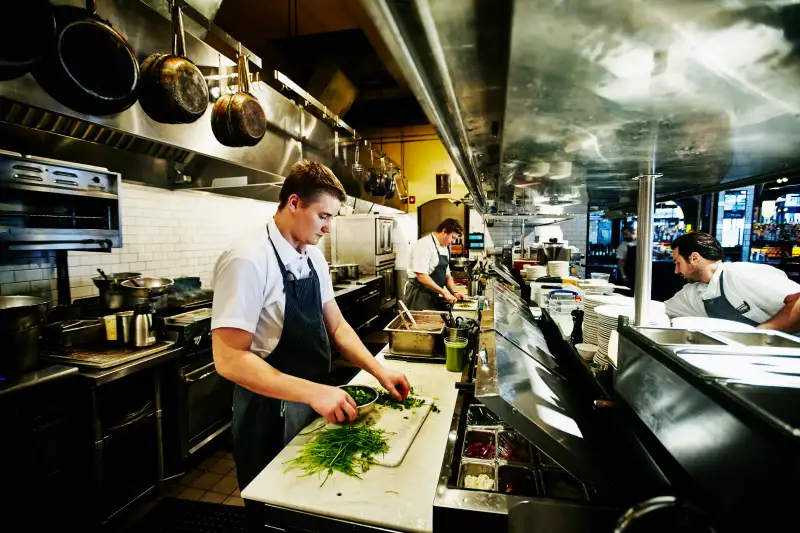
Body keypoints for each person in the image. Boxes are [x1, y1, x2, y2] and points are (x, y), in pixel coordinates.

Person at [211, 160, 411, 492]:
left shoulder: (312, 255)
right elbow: (229, 358)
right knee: (275, 505)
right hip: (269, 412)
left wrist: (379, 371)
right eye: (324, 216)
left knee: (313, 495)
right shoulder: (247, 259)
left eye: (332, 217)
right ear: (294, 203)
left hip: (316, 400)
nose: (329, 228)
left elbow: (337, 326)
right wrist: (314, 392)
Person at [665, 232, 800, 330]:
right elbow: (659, 310)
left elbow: (798, 300)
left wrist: (760, 335)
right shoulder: (694, 293)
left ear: (694, 258)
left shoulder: (741, 273)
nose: (676, 271)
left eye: (678, 263)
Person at [404, 218, 466, 310]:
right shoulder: (424, 245)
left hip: (433, 294)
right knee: (420, 323)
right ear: (444, 231)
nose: (453, 242)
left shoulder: (444, 247)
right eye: (452, 237)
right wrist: (444, 293)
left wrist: (454, 292)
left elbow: (447, 275)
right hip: (419, 295)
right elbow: (422, 276)